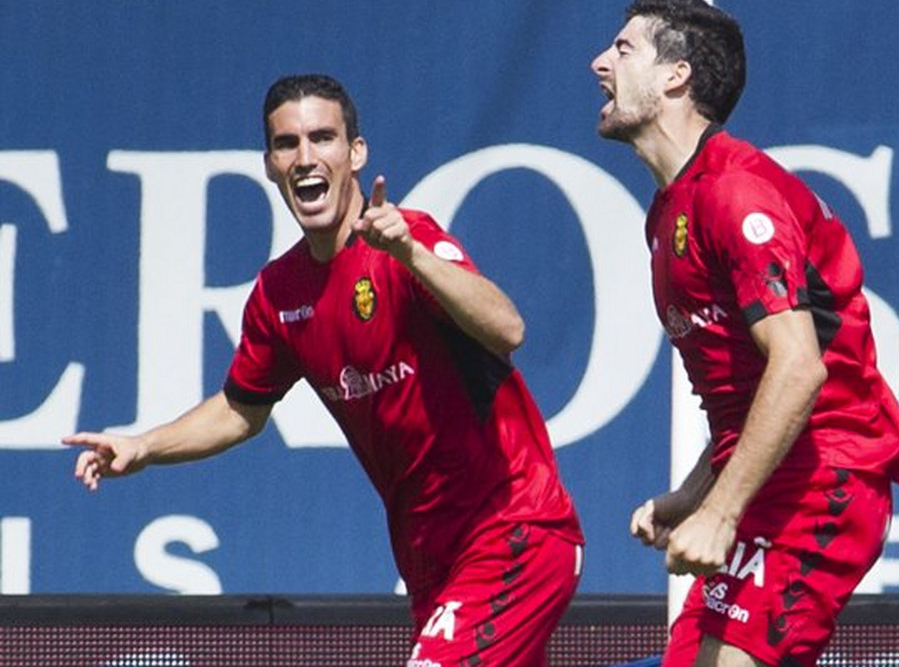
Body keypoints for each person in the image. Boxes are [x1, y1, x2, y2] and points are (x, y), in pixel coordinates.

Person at [64, 73, 584, 666]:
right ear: (269, 164)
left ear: (355, 153)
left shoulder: (405, 244)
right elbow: (241, 410)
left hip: (514, 528)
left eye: (323, 138)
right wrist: (145, 446)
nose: (306, 159)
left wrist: (412, 256)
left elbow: (507, 329)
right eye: (288, 144)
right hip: (430, 560)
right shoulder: (279, 293)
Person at [592, 0, 899, 667]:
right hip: (765, 485)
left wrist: (719, 513)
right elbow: (744, 396)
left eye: (624, 49)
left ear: (676, 75)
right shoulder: (668, 214)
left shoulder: (735, 194)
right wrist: (692, 496)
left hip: (827, 479)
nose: (601, 63)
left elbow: (798, 368)